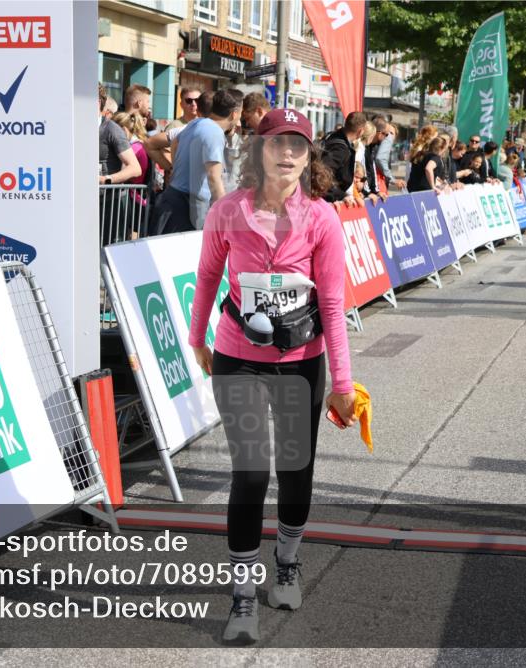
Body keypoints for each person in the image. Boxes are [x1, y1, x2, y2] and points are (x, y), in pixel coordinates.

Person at [187, 108, 355, 644]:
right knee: (252, 474)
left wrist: (344, 384)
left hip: (300, 362)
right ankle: (241, 597)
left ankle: (286, 561)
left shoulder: (322, 218)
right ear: (257, 151)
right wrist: (198, 340)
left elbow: (331, 302)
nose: (287, 153)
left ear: (309, 158)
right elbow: (208, 275)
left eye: (298, 146)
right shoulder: (229, 211)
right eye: (277, 143)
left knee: (295, 471)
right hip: (237, 356)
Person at [152, 88, 241, 234]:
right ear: (234, 114)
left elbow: (175, 142)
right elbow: (214, 178)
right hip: (186, 207)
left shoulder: (196, 123)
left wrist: (177, 168)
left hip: (174, 199)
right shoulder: (214, 132)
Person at [320, 111, 367, 206]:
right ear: (360, 131)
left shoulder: (332, 136)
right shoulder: (341, 148)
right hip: (326, 200)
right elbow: (322, 173)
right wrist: (339, 195)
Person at [98, 83, 141, 185]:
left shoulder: (112, 129)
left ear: (98, 102)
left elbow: (135, 168)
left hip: (107, 198)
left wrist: (106, 179)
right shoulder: (76, 128)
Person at [369, 118, 405, 192]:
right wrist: (393, 180)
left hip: (381, 182)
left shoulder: (385, 145)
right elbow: (380, 159)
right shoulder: (374, 146)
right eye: (386, 133)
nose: (388, 137)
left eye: (391, 134)